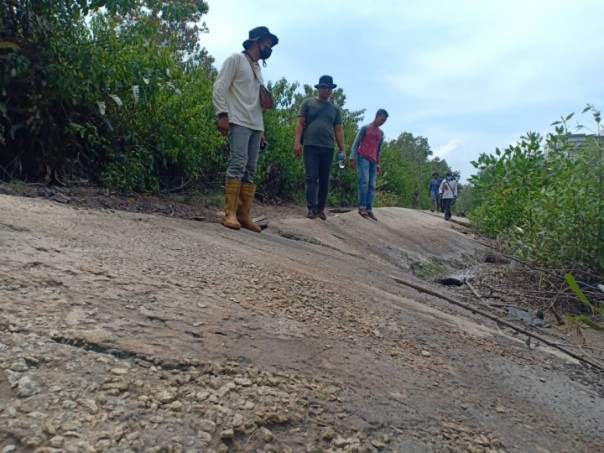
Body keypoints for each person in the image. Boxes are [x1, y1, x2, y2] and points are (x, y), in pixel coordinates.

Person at [212, 26, 278, 232]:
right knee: (238, 164)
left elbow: (257, 102)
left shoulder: (258, 69)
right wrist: (222, 114)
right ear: (256, 41)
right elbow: (220, 86)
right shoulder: (235, 59)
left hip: (255, 125)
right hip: (238, 121)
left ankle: (243, 214)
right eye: (266, 42)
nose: (269, 47)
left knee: (250, 170)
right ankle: (229, 213)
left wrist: (262, 130)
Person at [293, 75, 346, 220]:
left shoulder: (335, 109)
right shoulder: (308, 103)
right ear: (318, 88)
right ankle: (311, 208)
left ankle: (320, 209)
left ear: (332, 90)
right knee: (311, 177)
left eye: (329, 87)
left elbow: (339, 130)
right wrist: (297, 142)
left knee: (324, 179)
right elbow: (300, 124)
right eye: (323, 87)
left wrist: (343, 150)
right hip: (310, 145)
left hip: (328, 147)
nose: (326, 90)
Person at [349, 109, 389, 221]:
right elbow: (356, 143)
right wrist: (352, 158)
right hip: (363, 157)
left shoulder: (381, 133)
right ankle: (362, 207)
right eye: (381, 119)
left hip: (373, 160)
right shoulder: (365, 128)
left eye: (384, 121)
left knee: (372, 185)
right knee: (364, 181)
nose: (382, 122)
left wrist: (378, 163)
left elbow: (379, 150)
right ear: (376, 116)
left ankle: (369, 209)